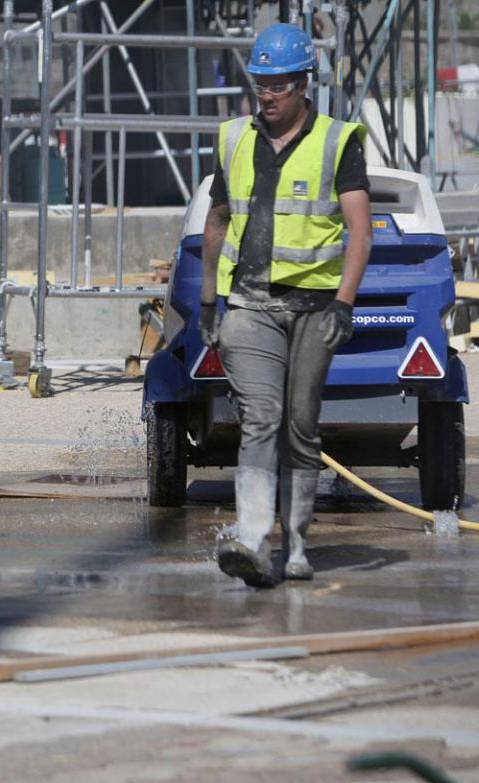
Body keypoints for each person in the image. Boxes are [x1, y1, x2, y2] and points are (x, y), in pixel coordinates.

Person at [201, 23, 372, 588]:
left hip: (316, 307)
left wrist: (344, 305)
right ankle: (252, 539)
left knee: (300, 426)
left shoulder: (337, 141)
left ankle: (297, 539)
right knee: (261, 417)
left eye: (277, 85)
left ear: (303, 85)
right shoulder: (231, 138)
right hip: (250, 304)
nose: (266, 95)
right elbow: (218, 221)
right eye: (260, 84)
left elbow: (359, 230)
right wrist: (209, 298)